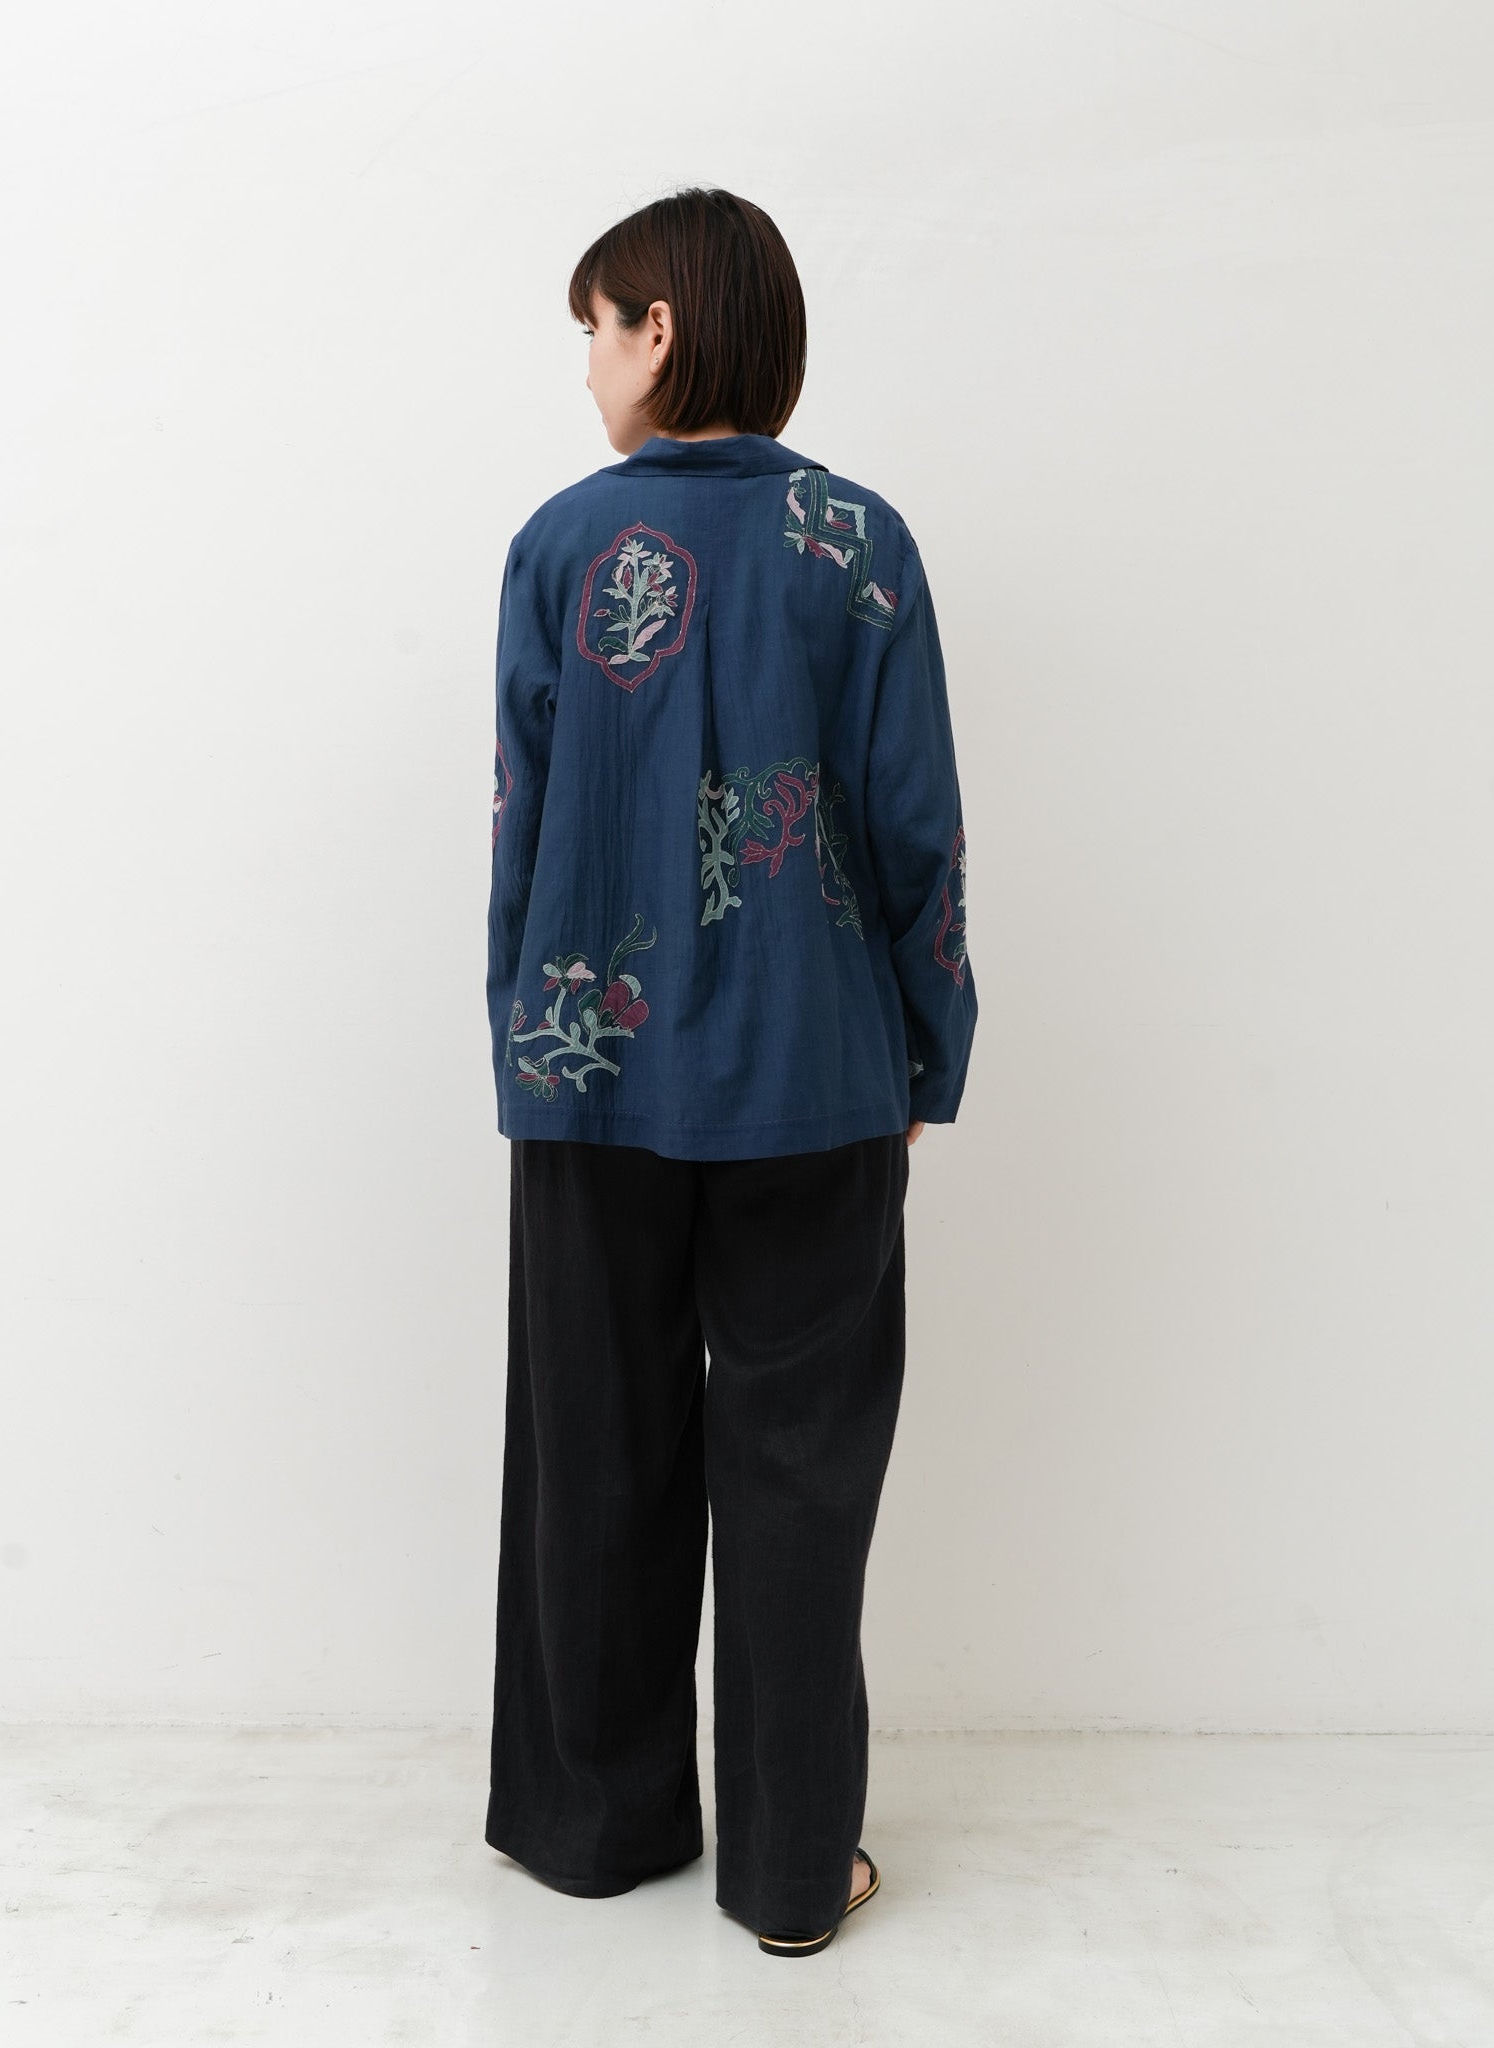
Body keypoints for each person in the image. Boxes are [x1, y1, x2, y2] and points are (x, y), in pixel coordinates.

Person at [484, 185, 977, 1957]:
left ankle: (596, 1829)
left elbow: (524, 826)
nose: (588, 365)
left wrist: (524, 1048)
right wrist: (930, 1044)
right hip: (815, 1075)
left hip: (593, 1072)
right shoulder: (861, 544)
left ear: (662, 328)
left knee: (594, 1453)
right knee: (800, 1473)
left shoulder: (559, 546)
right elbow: (917, 833)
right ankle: (787, 1871)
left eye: (596, 326)